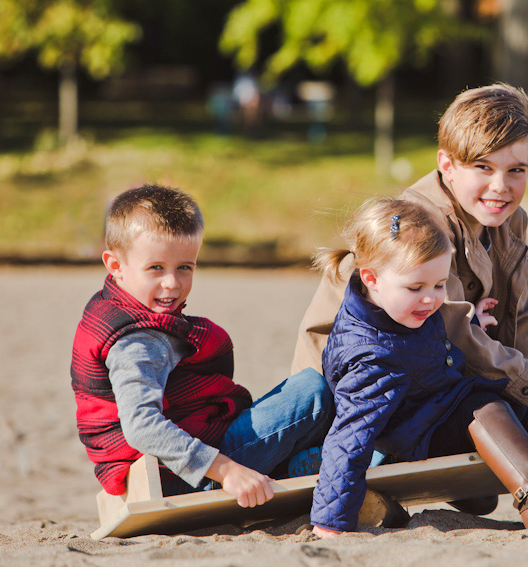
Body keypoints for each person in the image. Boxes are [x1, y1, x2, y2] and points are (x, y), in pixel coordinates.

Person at [292, 82, 528, 516]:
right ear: (447, 165)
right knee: (486, 405)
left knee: (524, 428)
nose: (501, 186)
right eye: (483, 167)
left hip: (426, 378)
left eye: (517, 170)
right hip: (366, 394)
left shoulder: (508, 221)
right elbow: (454, 329)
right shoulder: (420, 224)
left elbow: (519, 315)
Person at [308, 199, 528, 538]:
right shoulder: (369, 356)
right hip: (419, 437)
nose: (431, 299)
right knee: (482, 406)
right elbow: (350, 436)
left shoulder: (400, 309)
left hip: (436, 406)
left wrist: (474, 321)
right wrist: (329, 522)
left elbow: (432, 344)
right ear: (371, 278)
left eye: (439, 285)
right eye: (416, 287)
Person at [71, 185, 333, 507]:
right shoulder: (138, 342)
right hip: (185, 476)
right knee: (311, 392)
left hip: (190, 457)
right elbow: (141, 426)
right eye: (156, 268)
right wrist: (228, 471)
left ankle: (298, 464)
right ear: (115, 266)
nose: (173, 283)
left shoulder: (116, 308)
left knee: (297, 405)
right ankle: (343, 458)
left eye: (185, 267)